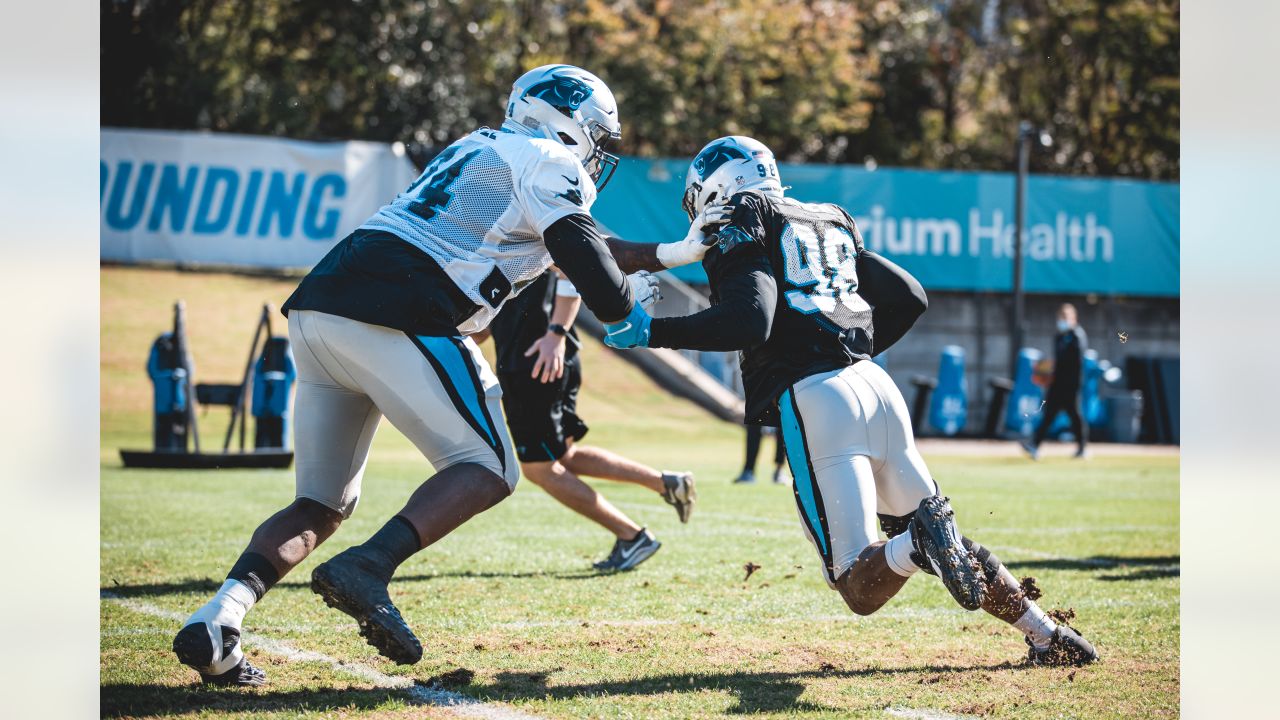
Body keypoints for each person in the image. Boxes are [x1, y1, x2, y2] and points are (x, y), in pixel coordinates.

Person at [171, 64, 721, 686]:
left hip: (322, 306)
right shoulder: (550, 159)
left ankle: (221, 620)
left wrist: (675, 253)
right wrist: (627, 315)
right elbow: (580, 251)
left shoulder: (480, 146)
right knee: (490, 466)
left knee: (322, 502)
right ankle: (370, 566)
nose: (598, 150)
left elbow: (586, 241)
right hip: (402, 310)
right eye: (597, 133)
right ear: (571, 123)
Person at [604, 136, 1098, 667]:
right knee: (943, 538)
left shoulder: (740, 219)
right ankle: (1046, 633)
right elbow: (909, 296)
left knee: (858, 582)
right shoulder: (826, 215)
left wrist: (651, 332)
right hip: (874, 386)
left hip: (821, 400)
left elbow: (751, 318)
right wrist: (842, 346)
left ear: (718, 189)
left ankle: (916, 544)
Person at [487, 268, 696, 571]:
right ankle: (667, 483)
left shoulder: (518, 223)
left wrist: (555, 334)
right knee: (564, 456)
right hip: (546, 356)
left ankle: (633, 536)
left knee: (539, 468)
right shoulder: (500, 232)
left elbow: (569, 272)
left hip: (535, 361)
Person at [1022, 303, 1089, 460]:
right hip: (1057, 384)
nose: (1063, 321)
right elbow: (1058, 362)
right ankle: (1034, 445)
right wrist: (1046, 371)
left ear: (1074, 319)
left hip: (1071, 385)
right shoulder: (1059, 336)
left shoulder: (1077, 337)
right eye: (1061, 318)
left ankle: (1082, 448)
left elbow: (1075, 361)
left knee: (1075, 416)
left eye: (1066, 318)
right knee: (1048, 415)